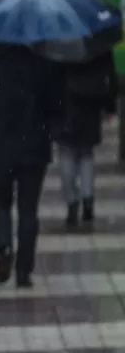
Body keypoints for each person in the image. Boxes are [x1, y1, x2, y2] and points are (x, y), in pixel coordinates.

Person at [0, 45, 63, 288]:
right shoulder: (44, 64)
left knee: (0, 203)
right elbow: (57, 107)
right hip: (34, 147)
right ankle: (24, 270)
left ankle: (5, 248)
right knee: (28, 209)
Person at [53, 51, 118, 228]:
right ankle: (88, 199)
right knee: (86, 155)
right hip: (90, 108)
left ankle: (72, 201)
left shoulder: (57, 43)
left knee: (66, 154)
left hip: (64, 106)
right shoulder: (97, 43)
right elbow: (110, 77)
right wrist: (109, 106)